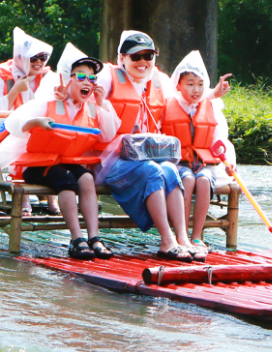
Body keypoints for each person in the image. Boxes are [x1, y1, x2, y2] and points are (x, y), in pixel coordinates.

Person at [95, 31, 230, 262]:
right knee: (154, 171)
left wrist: (213, 94)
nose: (142, 62)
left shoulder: (159, 81)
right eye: (135, 57)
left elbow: (187, 97)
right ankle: (167, 240)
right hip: (112, 160)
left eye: (147, 56)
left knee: (169, 169)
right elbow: (79, 92)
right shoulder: (108, 78)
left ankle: (182, 238)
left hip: (148, 156)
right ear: (123, 57)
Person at [2, 47, 119, 259]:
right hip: (37, 165)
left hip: (65, 161)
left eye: (92, 78)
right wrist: (37, 122)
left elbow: (107, 135)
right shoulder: (49, 101)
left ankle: (94, 238)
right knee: (66, 180)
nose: (87, 82)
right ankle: (76, 239)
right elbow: (13, 123)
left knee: (85, 178)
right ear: (67, 78)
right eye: (81, 76)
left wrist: (102, 105)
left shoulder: (93, 107)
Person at [0, 27, 55, 215]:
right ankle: (23, 198)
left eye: (43, 57)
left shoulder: (46, 77)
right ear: (22, 57)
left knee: (48, 136)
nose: (39, 62)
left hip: (28, 131)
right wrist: (14, 92)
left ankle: (51, 197)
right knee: (23, 139)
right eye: (34, 58)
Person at [160, 50, 236, 258]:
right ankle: (180, 234)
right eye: (190, 84)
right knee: (187, 180)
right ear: (178, 85)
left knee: (202, 181)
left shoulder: (211, 107)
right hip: (179, 162)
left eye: (200, 84)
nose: (196, 89)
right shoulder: (168, 105)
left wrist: (228, 161)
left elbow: (221, 140)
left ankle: (196, 236)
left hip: (203, 164)